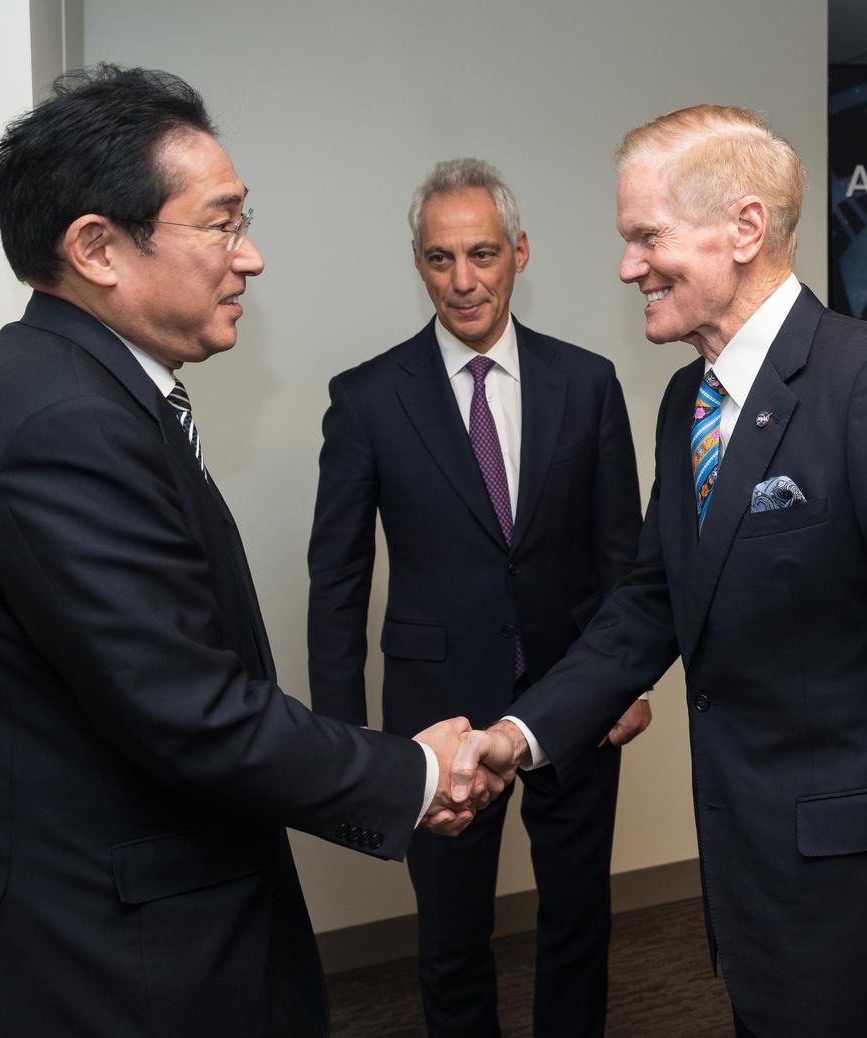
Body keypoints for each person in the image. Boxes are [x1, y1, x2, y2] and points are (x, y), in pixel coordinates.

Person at [0, 65, 494, 1038]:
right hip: (95, 969)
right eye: (221, 224)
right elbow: (188, 712)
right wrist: (410, 776)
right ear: (97, 248)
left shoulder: (61, 392)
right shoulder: (62, 424)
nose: (248, 258)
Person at [454, 105, 867, 1038]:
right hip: (754, 885)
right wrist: (517, 737)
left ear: (745, 230)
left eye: (647, 238)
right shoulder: (690, 400)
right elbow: (648, 606)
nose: (629, 266)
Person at [307, 158, 648, 1036]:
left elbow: (623, 556)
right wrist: (348, 746)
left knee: (578, 918)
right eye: (440, 258)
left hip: (575, 703)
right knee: (453, 934)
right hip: (438, 719)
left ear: (520, 253)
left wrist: (626, 684)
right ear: (419, 263)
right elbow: (338, 582)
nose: (464, 280)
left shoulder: (589, 383)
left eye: (483, 253)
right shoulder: (367, 399)